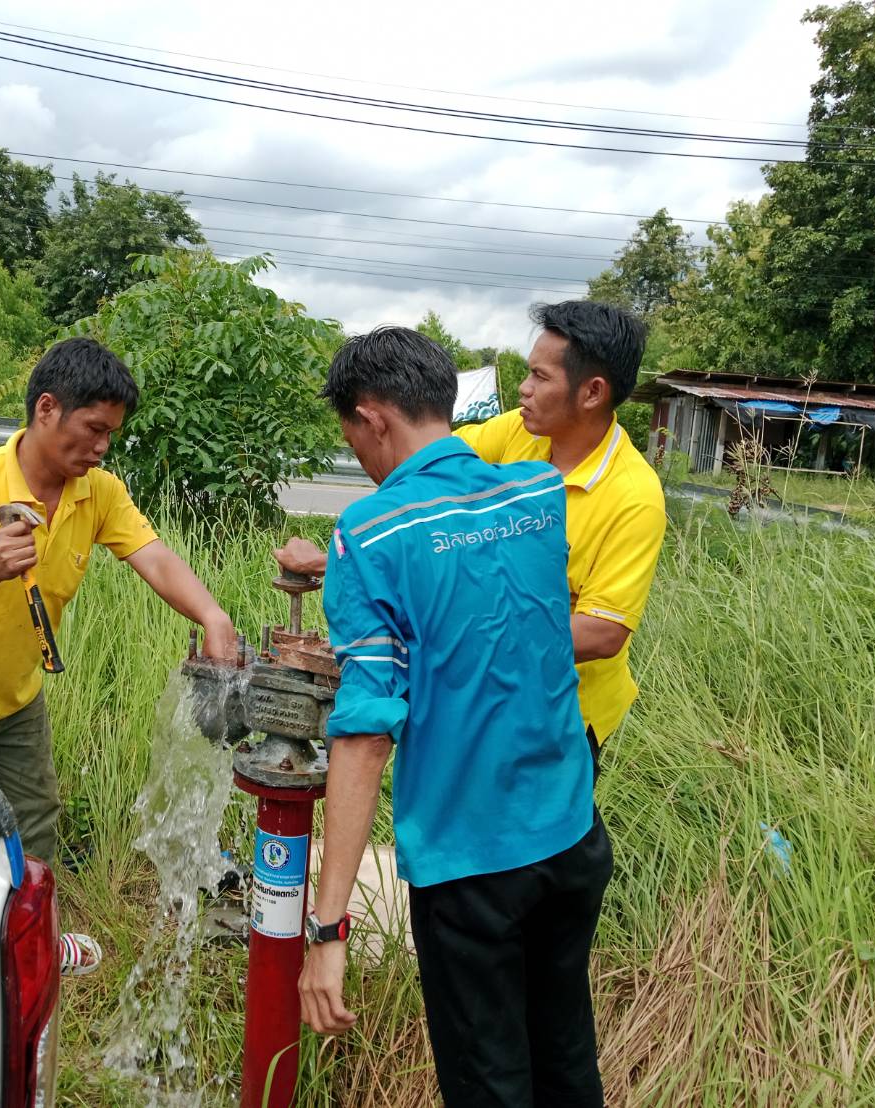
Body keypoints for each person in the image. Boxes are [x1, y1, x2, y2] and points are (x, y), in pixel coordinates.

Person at [297, 327, 611, 1106]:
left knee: (490, 1084)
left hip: (471, 869)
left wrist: (327, 931)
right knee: (565, 1061)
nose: (362, 463)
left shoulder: (366, 534)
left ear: (372, 419)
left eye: (353, 440)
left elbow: (365, 734)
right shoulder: (536, 498)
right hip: (571, 836)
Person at [0, 336, 237, 871]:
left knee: (35, 822)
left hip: (18, 698)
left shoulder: (96, 492)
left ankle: (27, 945)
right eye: (94, 429)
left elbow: (156, 558)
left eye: (110, 435)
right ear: (47, 409)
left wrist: (213, 616)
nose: (102, 447)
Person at [278, 300, 664, 766]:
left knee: (537, 830)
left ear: (592, 392)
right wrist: (343, 560)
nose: (523, 389)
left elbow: (602, 633)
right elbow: (428, 479)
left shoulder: (633, 496)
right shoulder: (519, 433)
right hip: (477, 690)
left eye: (540, 378)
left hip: (558, 711)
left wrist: (449, 638)